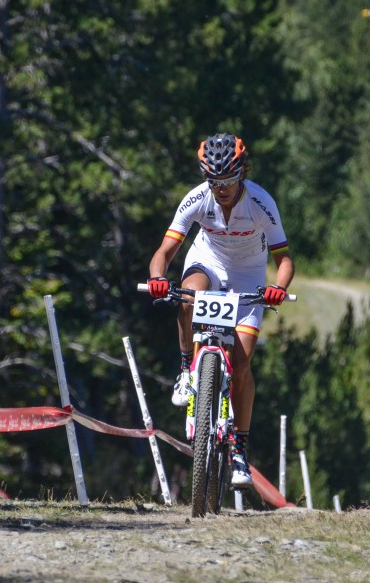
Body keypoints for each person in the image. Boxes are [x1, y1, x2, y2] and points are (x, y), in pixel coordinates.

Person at [147, 133, 295, 487]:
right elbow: (165, 251)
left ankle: (240, 452)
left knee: (242, 365)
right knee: (186, 298)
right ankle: (186, 369)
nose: (222, 187)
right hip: (207, 263)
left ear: (242, 173)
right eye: (214, 180)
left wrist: (278, 288)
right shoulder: (197, 199)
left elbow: (285, 259)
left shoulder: (261, 202)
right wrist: (157, 277)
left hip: (248, 277)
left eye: (229, 179)